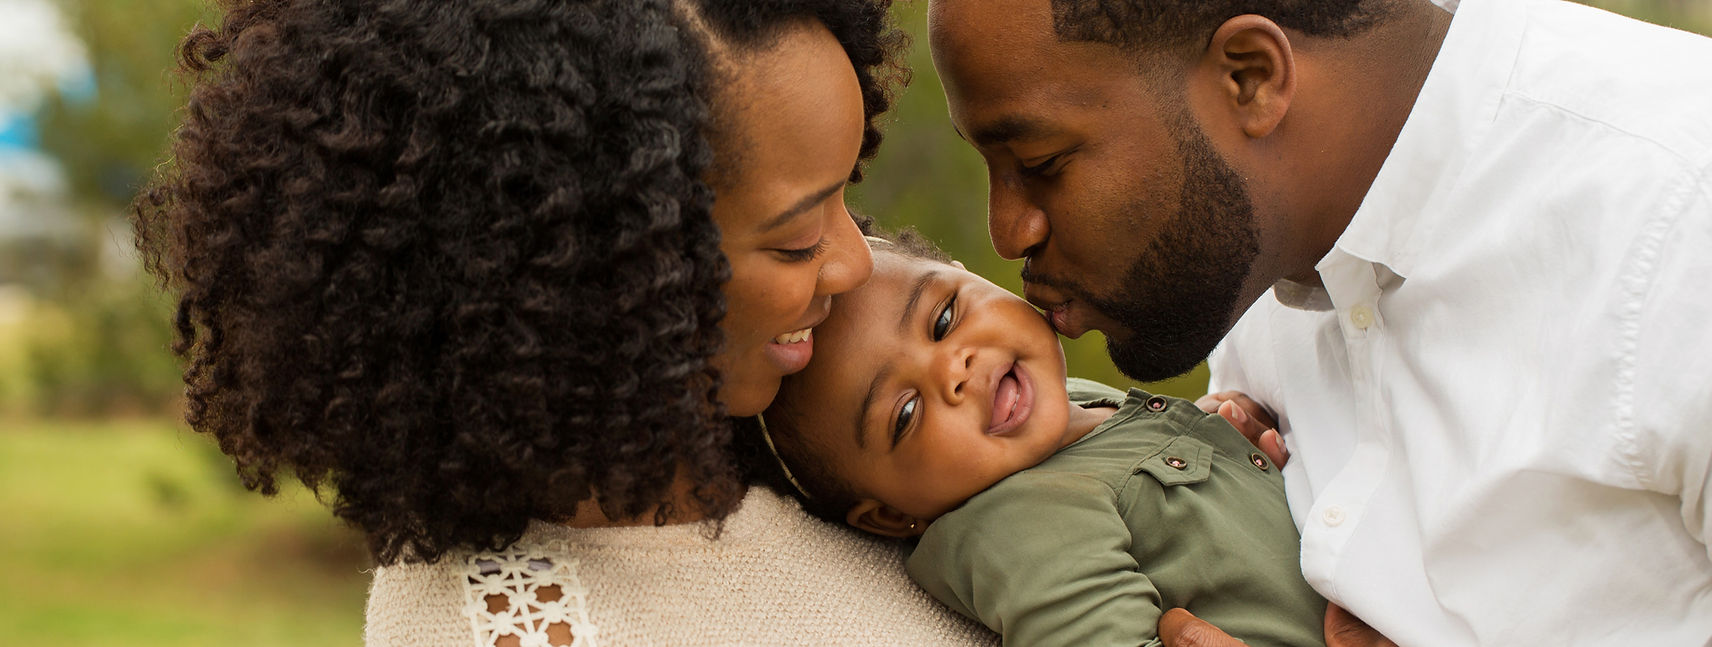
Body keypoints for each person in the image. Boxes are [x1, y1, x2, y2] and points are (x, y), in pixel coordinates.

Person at [131, 0, 997, 645]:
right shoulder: (517, 621)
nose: (854, 263)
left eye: (850, 192)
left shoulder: (856, 441)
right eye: (798, 239)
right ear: (601, 274)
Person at [925, 0, 1712, 644]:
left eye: (1041, 163)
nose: (1008, 233)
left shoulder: (1676, 230)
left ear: (1250, 78)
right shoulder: (1255, 232)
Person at [760, 233, 1327, 647]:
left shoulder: (1071, 405)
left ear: (968, 274)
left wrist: (1207, 445)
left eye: (943, 319)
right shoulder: (1016, 525)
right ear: (888, 515)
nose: (954, 370)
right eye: (906, 413)